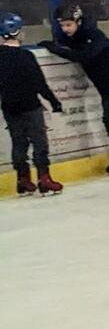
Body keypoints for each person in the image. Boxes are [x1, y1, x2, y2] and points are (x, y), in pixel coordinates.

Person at [42, 5, 109, 175]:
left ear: (78, 22)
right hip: (104, 83)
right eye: (62, 25)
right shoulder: (69, 38)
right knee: (108, 119)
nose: (65, 29)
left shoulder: (93, 34)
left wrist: (56, 49)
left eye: (68, 25)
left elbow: (85, 56)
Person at [2, 12, 64, 196]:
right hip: (30, 105)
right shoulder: (26, 56)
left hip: (9, 107)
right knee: (39, 142)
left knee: (18, 142)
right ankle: (44, 178)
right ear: (17, 32)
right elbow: (39, 83)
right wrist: (54, 102)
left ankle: (22, 179)